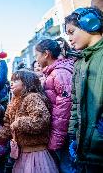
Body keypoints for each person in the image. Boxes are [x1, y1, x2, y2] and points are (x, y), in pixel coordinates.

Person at [0, 70, 58, 173]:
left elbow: (41, 120)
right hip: (22, 153)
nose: (12, 83)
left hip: (36, 153)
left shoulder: (32, 97)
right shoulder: (13, 102)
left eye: (15, 80)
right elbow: (8, 126)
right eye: (11, 80)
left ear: (27, 82)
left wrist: (19, 122)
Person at [65, 7, 103, 171]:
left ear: (91, 24)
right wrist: (74, 134)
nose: (70, 39)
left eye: (72, 32)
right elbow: (75, 102)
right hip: (85, 149)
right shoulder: (79, 62)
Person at [34, 38, 75, 172]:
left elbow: (64, 108)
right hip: (61, 132)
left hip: (65, 133)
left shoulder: (60, 73)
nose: (36, 59)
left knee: (67, 167)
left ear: (46, 54)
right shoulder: (52, 72)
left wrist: (56, 138)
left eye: (37, 55)